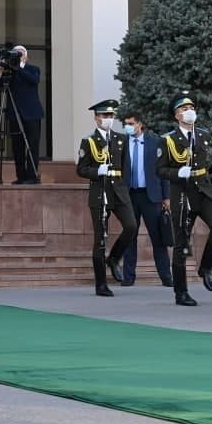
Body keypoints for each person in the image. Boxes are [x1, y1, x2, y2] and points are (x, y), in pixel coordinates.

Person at [156, 91, 212, 304]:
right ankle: (181, 292)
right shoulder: (167, 140)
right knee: (181, 243)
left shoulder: (203, 135)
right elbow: (160, 170)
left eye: (191, 108)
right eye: (184, 109)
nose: (189, 112)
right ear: (176, 115)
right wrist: (178, 173)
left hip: (203, 189)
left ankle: (205, 268)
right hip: (182, 193)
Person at [75, 100, 139, 297]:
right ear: (96, 118)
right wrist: (97, 171)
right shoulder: (89, 141)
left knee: (131, 226)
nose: (108, 119)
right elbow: (81, 169)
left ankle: (114, 258)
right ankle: (101, 284)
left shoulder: (121, 139)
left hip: (118, 190)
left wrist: (124, 188)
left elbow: (126, 167)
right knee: (100, 239)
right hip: (100, 191)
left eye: (111, 116)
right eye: (104, 116)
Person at [118, 110, 173, 290]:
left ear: (140, 124)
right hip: (129, 195)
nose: (128, 127)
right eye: (126, 123)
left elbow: (163, 170)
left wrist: (166, 196)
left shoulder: (155, 142)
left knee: (158, 238)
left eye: (131, 123)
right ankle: (128, 277)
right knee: (130, 236)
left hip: (151, 196)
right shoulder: (121, 143)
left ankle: (166, 276)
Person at [0, 44, 43, 184]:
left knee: (32, 145)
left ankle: (32, 176)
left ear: (26, 57)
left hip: (32, 114)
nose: (18, 56)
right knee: (17, 147)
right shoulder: (9, 72)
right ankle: (21, 176)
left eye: (20, 54)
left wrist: (18, 68)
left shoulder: (33, 69)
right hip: (15, 114)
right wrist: (0, 70)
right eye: (15, 54)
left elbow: (34, 80)